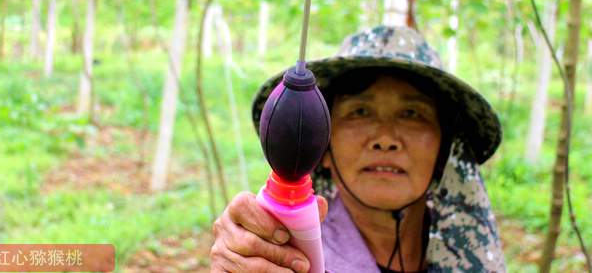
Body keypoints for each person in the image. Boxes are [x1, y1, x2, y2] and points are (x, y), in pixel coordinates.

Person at [210, 25, 505, 272]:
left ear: (445, 150)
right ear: (322, 146)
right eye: (360, 112)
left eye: (413, 113)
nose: (386, 138)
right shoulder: (289, 256)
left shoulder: (467, 254)